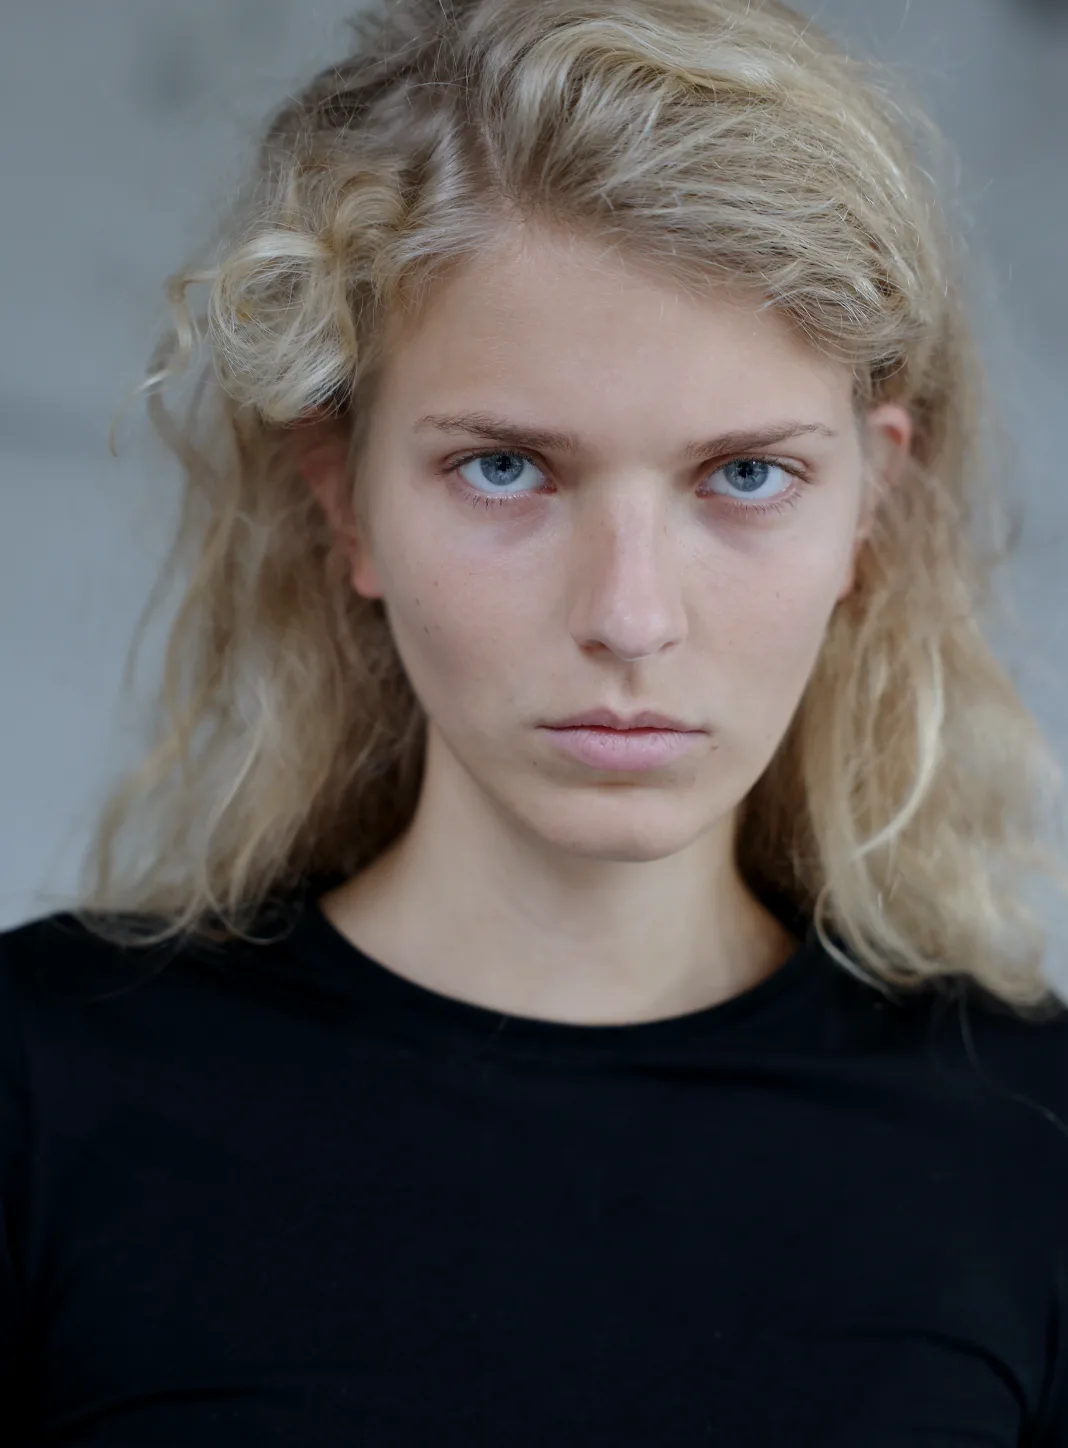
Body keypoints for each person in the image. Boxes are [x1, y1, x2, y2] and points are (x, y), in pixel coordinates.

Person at [3, 0, 1068, 1441]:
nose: (630, 616)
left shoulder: (1034, 1141)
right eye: (505, 469)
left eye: (746, 476)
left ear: (870, 504)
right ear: (344, 499)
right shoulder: (43, 1087)